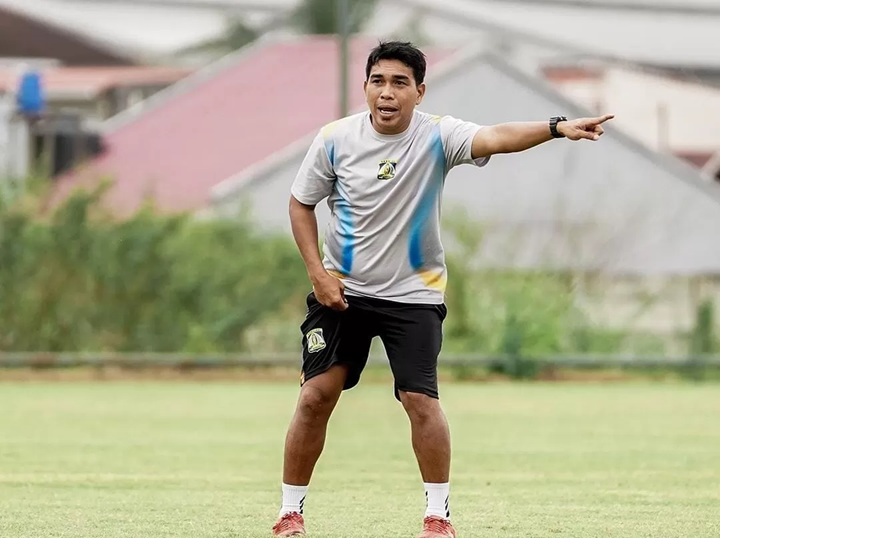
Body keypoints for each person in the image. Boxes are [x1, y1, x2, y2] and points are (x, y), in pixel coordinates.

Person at [272, 40, 614, 539]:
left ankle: (438, 516)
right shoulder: (334, 139)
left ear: (419, 91)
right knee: (313, 397)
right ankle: (289, 513)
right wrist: (317, 275)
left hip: (414, 295)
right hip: (342, 293)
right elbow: (300, 204)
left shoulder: (437, 136)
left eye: (399, 83)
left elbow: (497, 136)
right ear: (366, 87)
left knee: (420, 400)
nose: (387, 93)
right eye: (378, 81)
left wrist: (557, 127)